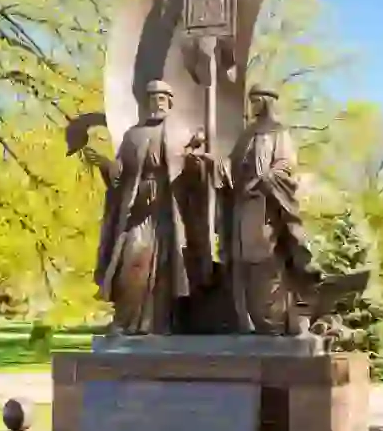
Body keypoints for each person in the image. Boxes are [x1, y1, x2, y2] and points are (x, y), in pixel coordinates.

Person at [93, 80, 208, 334]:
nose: (157, 104)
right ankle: (125, 320)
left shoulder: (180, 134)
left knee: (164, 270)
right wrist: (108, 168)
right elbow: (120, 176)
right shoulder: (133, 136)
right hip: (137, 211)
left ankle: (157, 324)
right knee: (132, 262)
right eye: (153, 99)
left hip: (168, 211)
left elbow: (193, 177)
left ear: (169, 102)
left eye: (162, 99)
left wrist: (195, 161)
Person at [221, 85, 322, 334]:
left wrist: (266, 179)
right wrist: (222, 166)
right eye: (251, 101)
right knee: (242, 260)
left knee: (265, 261)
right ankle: (249, 320)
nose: (252, 105)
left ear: (267, 102)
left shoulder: (278, 133)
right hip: (244, 206)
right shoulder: (247, 134)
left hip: (266, 205)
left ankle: (274, 321)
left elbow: (285, 165)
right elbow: (234, 164)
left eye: (256, 101)